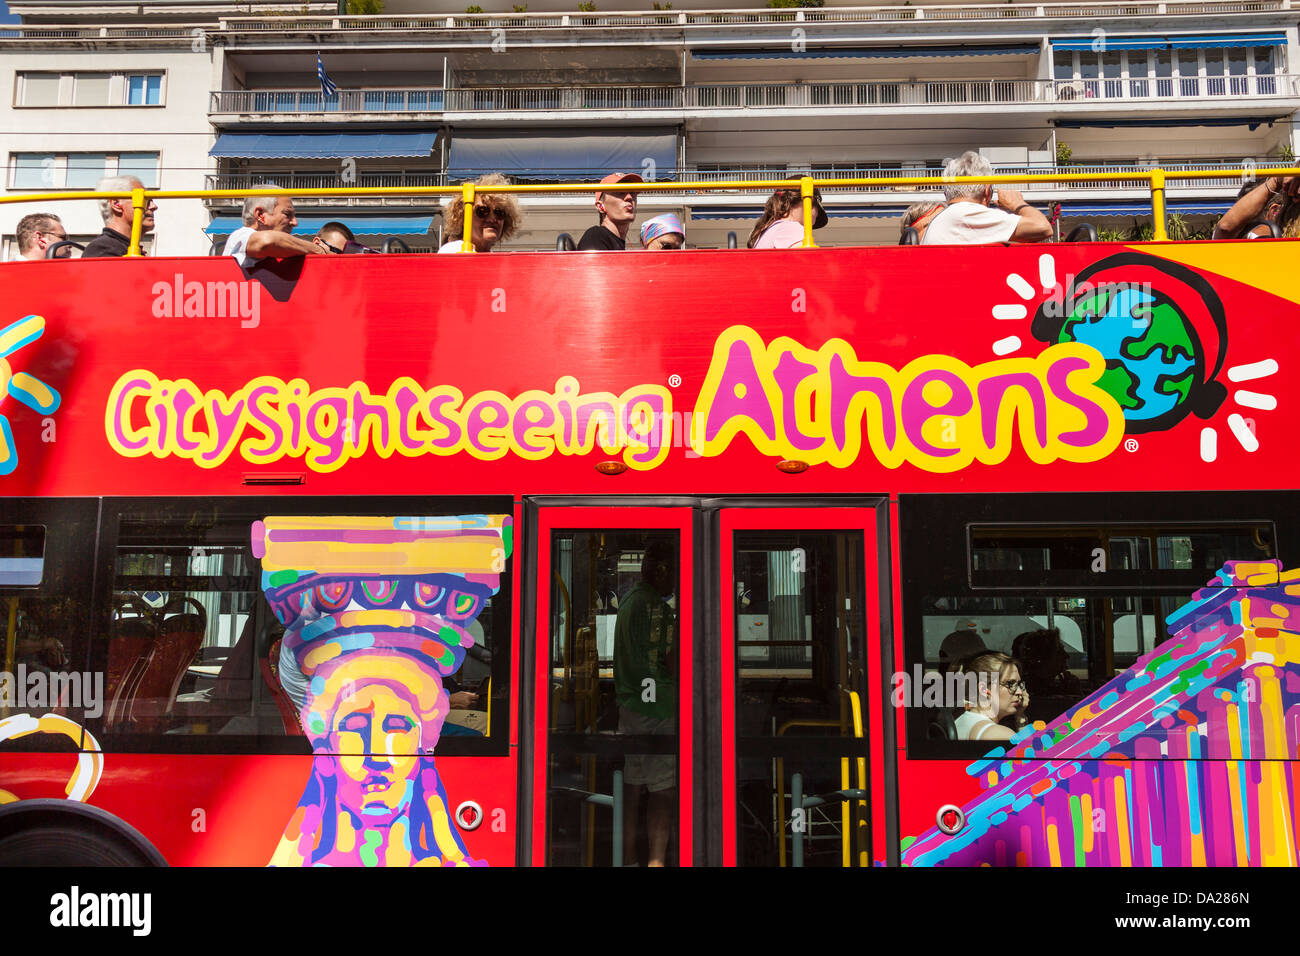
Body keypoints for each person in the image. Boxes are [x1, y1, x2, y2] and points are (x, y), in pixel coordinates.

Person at [613, 539, 677, 866]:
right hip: (659, 709)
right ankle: (655, 860)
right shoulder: (658, 610)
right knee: (662, 790)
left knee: (632, 787)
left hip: (630, 706)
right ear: (662, 571)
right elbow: (672, 661)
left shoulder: (627, 603)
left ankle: (626, 858)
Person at [921, 152, 1052, 245]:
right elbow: (1043, 228)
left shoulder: (947, 217)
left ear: (946, 194)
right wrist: (1018, 204)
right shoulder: (966, 214)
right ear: (987, 191)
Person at [224, 190, 323, 268]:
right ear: (261, 215)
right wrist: (321, 251)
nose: (295, 223)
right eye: (287, 214)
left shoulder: (275, 249)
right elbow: (266, 241)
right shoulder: (241, 235)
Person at [952, 651, 1029, 742]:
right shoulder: (1000, 735)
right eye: (1010, 684)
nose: (1019, 692)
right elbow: (1034, 754)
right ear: (984, 689)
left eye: (1019, 684)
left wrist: (1019, 714)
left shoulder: (960, 720)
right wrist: (1021, 719)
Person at [438, 174, 522, 253]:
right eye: (482, 211)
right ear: (463, 218)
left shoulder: (493, 259)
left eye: (499, 213)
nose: (492, 219)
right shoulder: (453, 250)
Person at [81, 176, 157, 257]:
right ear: (116, 204)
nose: (154, 206)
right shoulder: (104, 249)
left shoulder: (121, 248)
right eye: (145, 200)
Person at [1212, 176, 1300, 239]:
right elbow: (1225, 228)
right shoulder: (1261, 235)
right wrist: (1276, 181)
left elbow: (1225, 228)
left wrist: (1275, 181)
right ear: (1274, 211)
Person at [747, 183, 828, 249]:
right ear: (807, 202)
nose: (817, 214)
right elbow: (810, 263)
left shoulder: (769, 229)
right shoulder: (791, 228)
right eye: (816, 206)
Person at [578, 172, 642, 250]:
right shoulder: (596, 236)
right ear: (600, 206)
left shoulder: (612, 241)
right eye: (620, 192)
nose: (629, 197)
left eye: (632, 193)